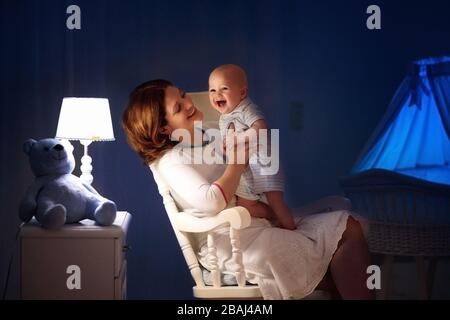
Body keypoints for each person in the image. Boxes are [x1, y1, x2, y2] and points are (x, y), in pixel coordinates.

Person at [122, 79, 374, 299]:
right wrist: (237, 164)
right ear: (164, 128)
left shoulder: (209, 135)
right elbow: (211, 201)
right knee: (338, 272)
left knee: (348, 225)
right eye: (178, 107)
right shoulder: (172, 161)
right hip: (229, 241)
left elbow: (255, 163)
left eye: (184, 94)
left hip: (257, 221)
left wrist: (265, 195)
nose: (188, 103)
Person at [208, 64, 296, 230]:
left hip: (264, 164)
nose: (216, 94)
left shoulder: (245, 108)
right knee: (246, 205)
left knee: (275, 199)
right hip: (247, 169)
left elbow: (261, 128)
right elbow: (229, 140)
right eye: (212, 90)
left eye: (224, 88)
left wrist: (239, 139)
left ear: (242, 93)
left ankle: (291, 228)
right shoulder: (224, 116)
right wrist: (225, 146)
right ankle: (274, 216)